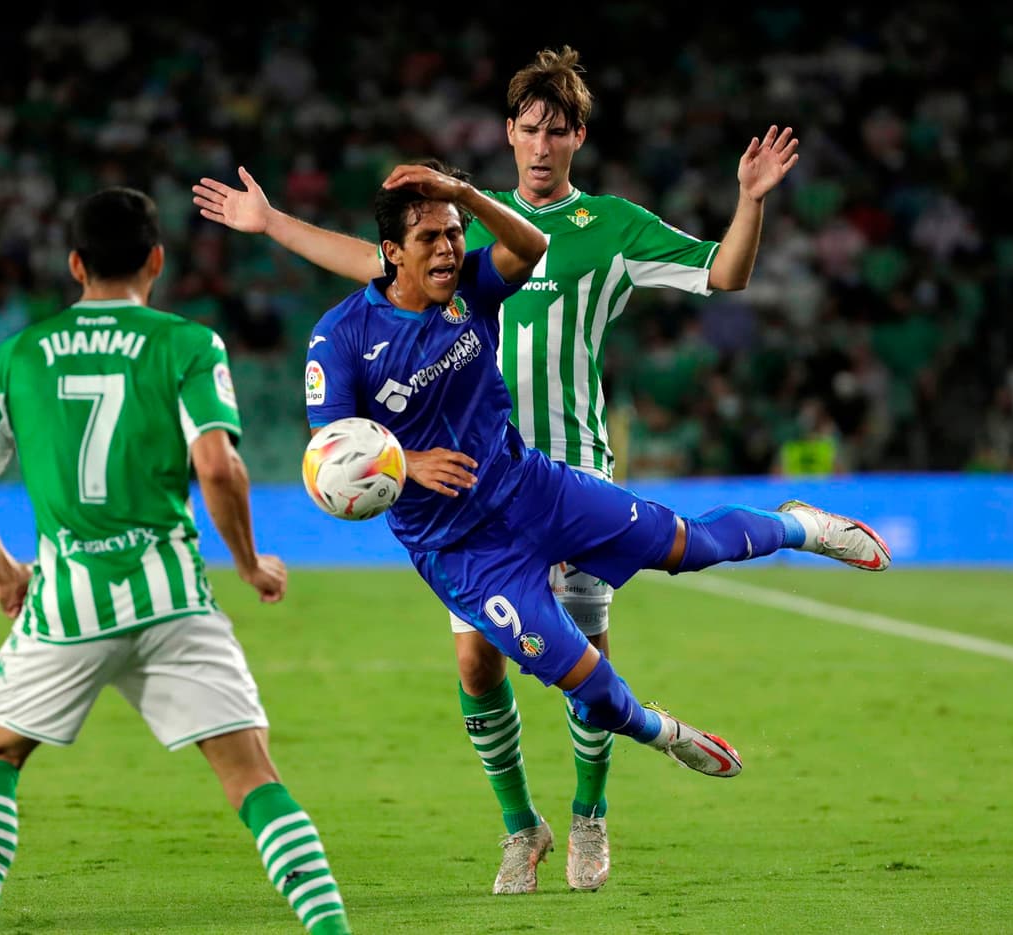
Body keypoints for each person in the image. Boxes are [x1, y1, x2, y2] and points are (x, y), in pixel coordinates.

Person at [192, 45, 801, 894]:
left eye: (558, 130)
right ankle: (523, 826)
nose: (542, 145)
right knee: (478, 663)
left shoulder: (612, 226)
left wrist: (747, 202)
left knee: (584, 654)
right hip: (465, 498)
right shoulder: (455, 230)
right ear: (509, 135)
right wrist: (275, 227)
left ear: (579, 136)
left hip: (566, 462)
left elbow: (726, 272)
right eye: (528, 129)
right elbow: (374, 267)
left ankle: (590, 816)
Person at [266, 157, 886, 891]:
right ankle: (650, 744)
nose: (445, 250)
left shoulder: (470, 286)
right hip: (466, 553)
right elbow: (329, 462)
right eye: (429, 238)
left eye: (452, 235)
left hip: (539, 485)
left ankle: (799, 526)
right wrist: (405, 461)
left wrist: (463, 195)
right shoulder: (339, 339)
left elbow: (528, 249)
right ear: (391, 253)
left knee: (688, 546)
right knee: (581, 680)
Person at [0, 187, 352, 935]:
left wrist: (7, 575)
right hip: (172, 600)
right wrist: (251, 561)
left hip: (65, 604)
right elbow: (220, 468)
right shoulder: (186, 344)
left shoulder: (16, 357)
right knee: (251, 775)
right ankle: (331, 929)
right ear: (157, 260)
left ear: (74, 264)